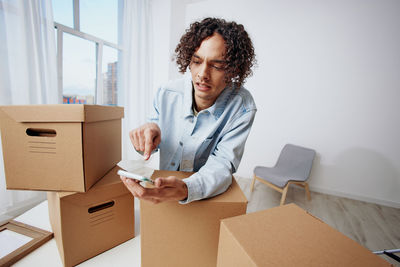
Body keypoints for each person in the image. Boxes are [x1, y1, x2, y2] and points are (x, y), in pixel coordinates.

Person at [120, 17, 257, 204]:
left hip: (206, 197)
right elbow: (154, 135)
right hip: (162, 192)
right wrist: (147, 138)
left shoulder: (243, 107)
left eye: (217, 66)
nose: (202, 75)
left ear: (233, 70)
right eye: (196, 61)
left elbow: (224, 163)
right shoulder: (166, 93)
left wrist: (187, 188)